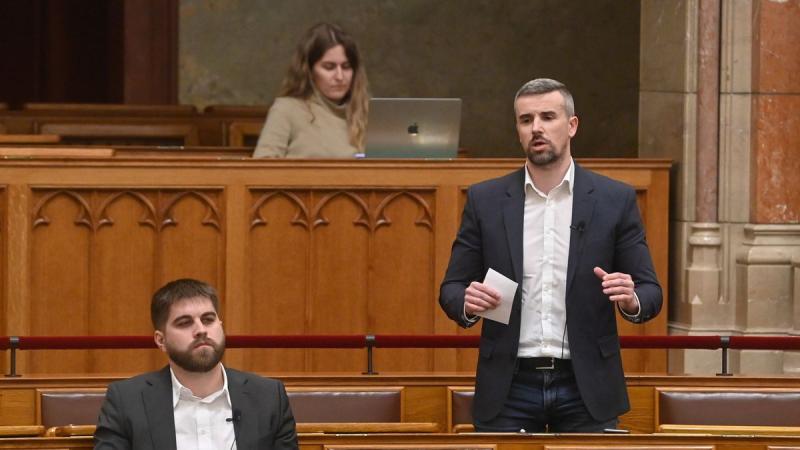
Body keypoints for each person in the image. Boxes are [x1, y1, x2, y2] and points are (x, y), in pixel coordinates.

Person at [439, 78, 662, 433]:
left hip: (586, 385)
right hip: (509, 385)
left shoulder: (614, 200)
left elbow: (651, 292)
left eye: (547, 117)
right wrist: (467, 302)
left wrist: (631, 299)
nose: (536, 128)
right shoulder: (486, 200)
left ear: (572, 125)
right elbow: (451, 288)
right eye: (526, 120)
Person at [94, 278, 297, 449]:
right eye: (184, 323)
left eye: (208, 319)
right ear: (161, 340)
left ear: (220, 326)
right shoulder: (127, 401)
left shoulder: (269, 397)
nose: (201, 330)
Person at [253, 22, 369, 158]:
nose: (339, 76)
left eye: (346, 67)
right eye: (329, 67)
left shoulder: (368, 113)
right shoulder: (286, 110)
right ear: (309, 70)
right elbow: (263, 165)